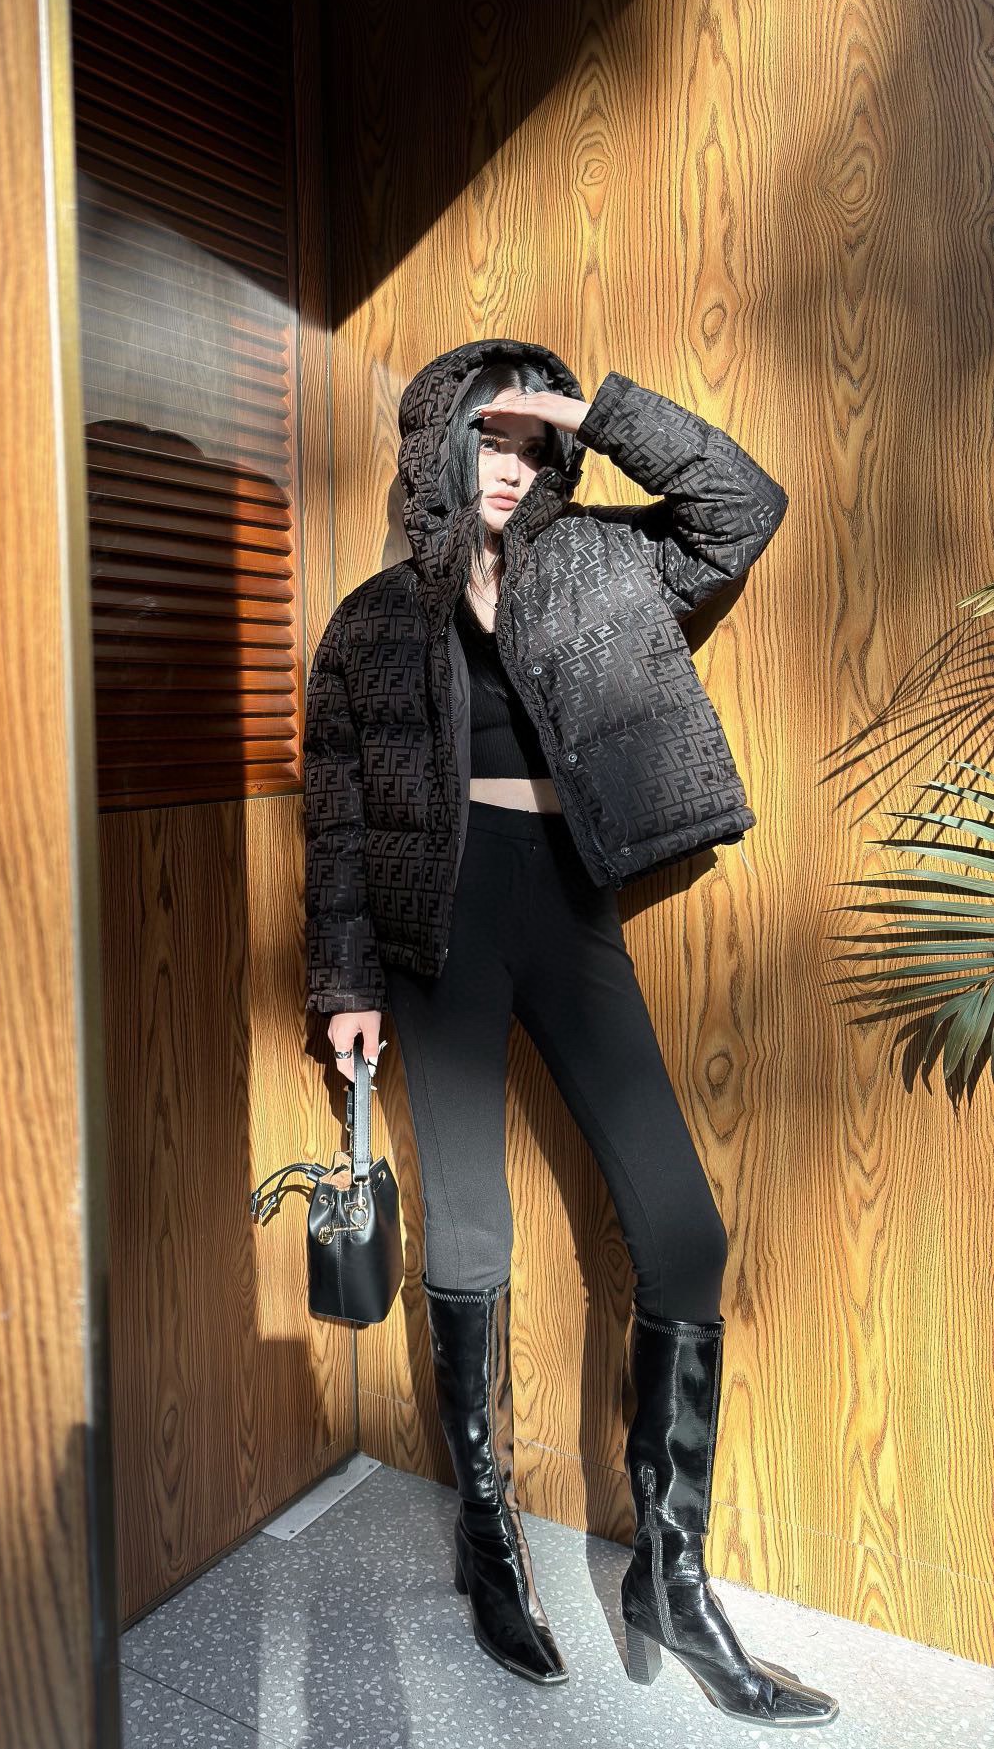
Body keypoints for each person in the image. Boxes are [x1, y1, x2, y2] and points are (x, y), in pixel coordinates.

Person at [301, 337, 838, 1726]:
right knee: (471, 1231)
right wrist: (343, 978)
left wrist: (589, 408)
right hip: (436, 928)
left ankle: (670, 1573)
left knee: (684, 1232)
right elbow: (338, 815)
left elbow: (742, 506)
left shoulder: (604, 562)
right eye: (486, 435)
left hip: (569, 906)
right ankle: (488, 1538)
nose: (510, 464)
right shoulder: (371, 622)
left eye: (531, 442)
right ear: (437, 444)